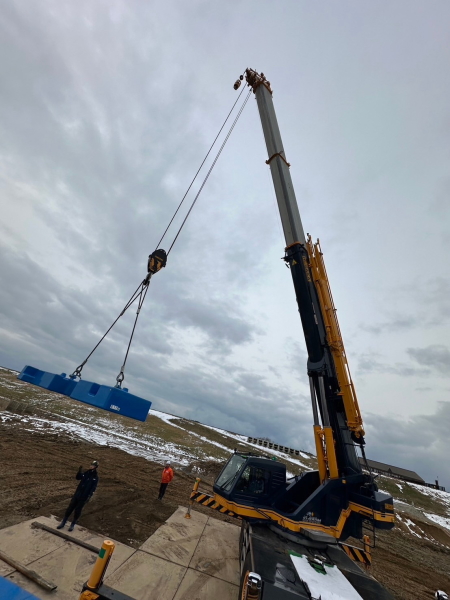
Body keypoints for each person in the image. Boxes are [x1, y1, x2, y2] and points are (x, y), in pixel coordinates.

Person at [57, 460, 99, 531]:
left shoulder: (95, 477)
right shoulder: (86, 473)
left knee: (78, 510)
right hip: (77, 494)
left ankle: (73, 524)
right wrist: (79, 472)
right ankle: (63, 522)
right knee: (70, 508)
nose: (91, 466)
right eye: (91, 465)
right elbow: (78, 478)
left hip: (84, 496)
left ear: (95, 467)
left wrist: (89, 496)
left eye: (93, 465)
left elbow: (93, 488)